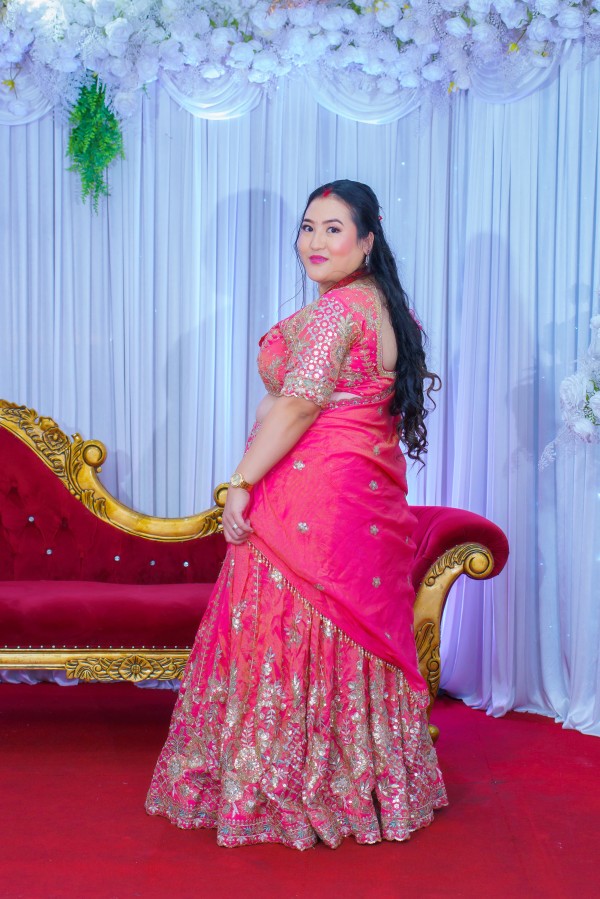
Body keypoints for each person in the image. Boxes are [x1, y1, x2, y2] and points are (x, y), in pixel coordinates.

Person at [146, 180, 447, 849]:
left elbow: (301, 404)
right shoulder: (386, 307)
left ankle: (283, 782)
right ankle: (363, 784)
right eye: (309, 227)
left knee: (283, 624)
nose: (315, 241)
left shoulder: (339, 311)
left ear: (367, 239)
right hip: (365, 494)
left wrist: (241, 482)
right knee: (349, 630)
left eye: (334, 229)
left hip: (312, 498)